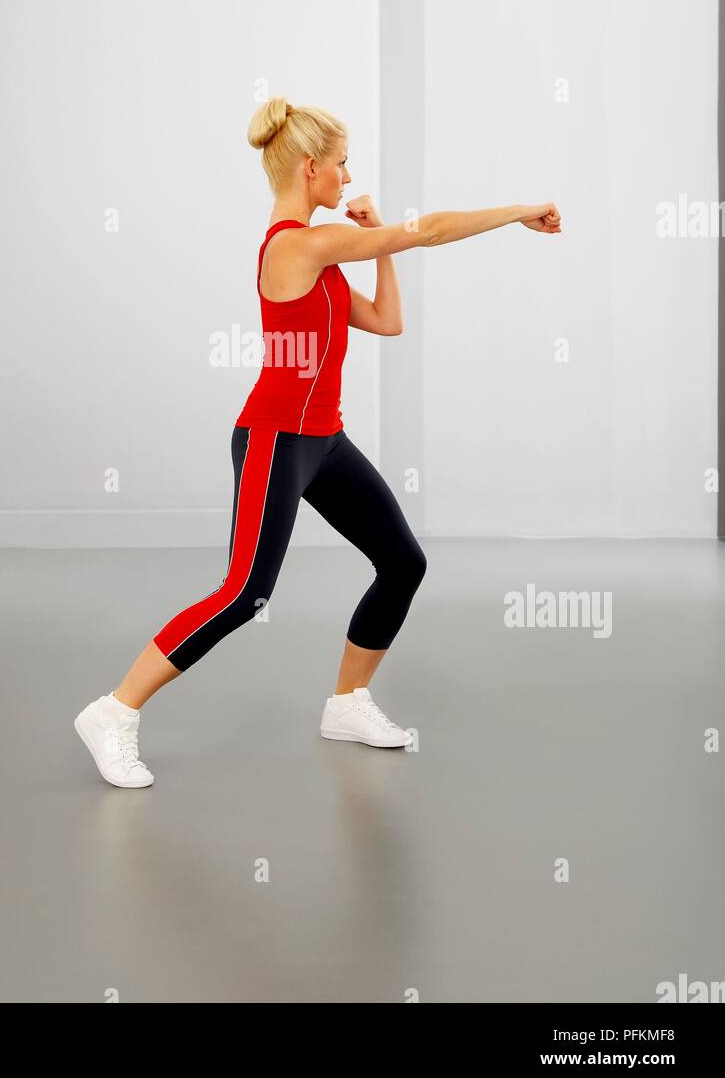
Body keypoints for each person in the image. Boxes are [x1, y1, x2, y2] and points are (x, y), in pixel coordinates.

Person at [75, 98, 561, 786]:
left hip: (323, 441)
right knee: (244, 592)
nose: (346, 174)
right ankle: (113, 711)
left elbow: (387, 322)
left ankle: (347, 701)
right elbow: (428, 233)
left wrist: (378, 241)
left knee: (401, 562)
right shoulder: (295, 246)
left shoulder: (324, 252)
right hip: (276, 438)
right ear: (310, 168)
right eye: (339, 164)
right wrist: (515, 211)